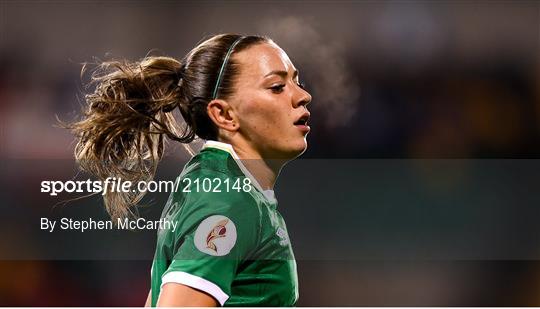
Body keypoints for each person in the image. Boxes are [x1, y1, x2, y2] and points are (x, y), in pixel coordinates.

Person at [67, 33, 312, 306]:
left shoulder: (218, 184)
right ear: (224, 115)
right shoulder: (228, 201)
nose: (303, 95)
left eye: (297, 82)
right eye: (277, 86)